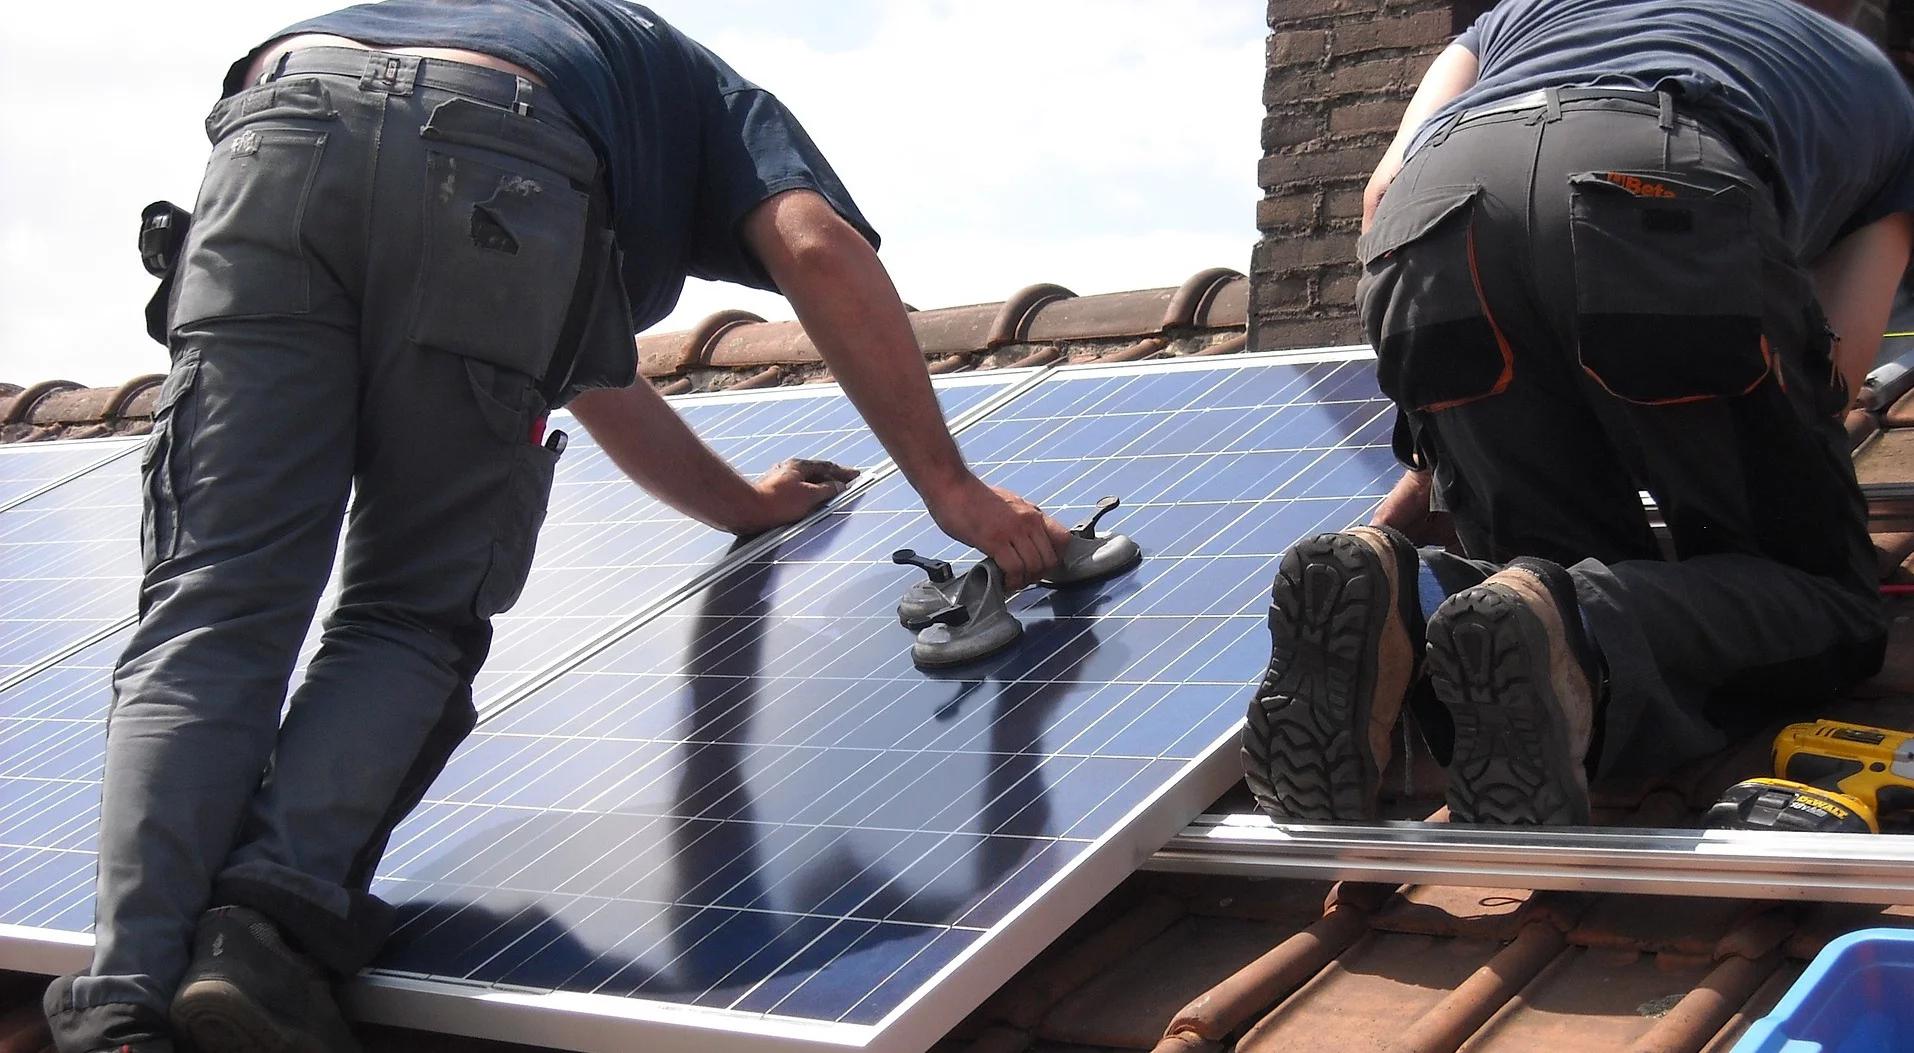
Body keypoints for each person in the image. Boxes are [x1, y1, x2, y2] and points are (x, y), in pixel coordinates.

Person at [45, 3, 1074, 1051]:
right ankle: (258, 927)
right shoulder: (711, 95)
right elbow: (815, 244)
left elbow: (578, 367)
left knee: (212, 607)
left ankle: (121, 1003)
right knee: (409, 614)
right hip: (508, 152)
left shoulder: (535, 41)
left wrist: (742, 508)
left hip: (281, 121)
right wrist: (952, 488)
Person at [1242, 0, 1911, 829]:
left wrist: (1450, 423)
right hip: (1659, 185)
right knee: (1825, 600)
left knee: (1537, 580)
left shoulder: (1524, 14)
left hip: (1431, 218)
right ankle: (1589, 625)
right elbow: (1835, 361)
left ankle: (1407, 595)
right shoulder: (1874, 86)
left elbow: (1384, 193)